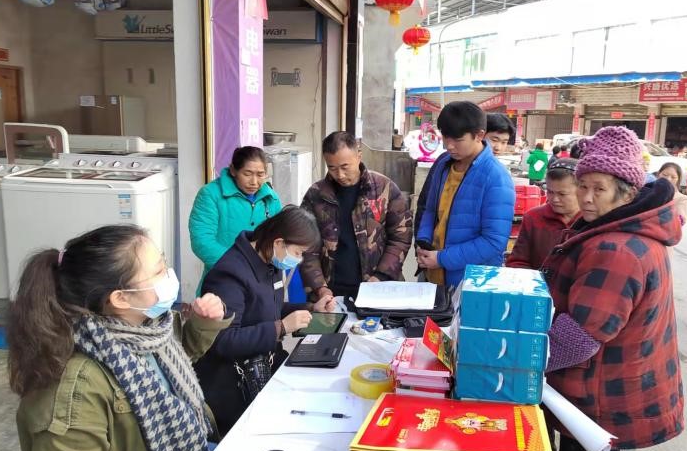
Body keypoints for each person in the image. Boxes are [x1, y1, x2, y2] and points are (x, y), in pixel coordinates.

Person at [9, 225, 231, 451]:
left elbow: (167, 372)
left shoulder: (148, 328)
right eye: (158, 271)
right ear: (120, 298)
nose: (169, 275)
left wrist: (203, 324)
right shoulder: (76, 383)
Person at [541, 126, 683, 451]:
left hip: (599, 396)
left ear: (627, 192)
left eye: (599, 189)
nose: (586, 198)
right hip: (601, 388)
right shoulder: (619, 228)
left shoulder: (616, 249)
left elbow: (579, 337)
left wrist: (515, 362)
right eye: (582, 185)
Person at [194, 207, 335, 435]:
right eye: (298, 253)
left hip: (265, 367)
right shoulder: (230, 274)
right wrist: (282, 328)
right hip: (234, 387)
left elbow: (267, 309)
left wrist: (311, 308)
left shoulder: (269, 260)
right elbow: (222, 340)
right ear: (279, 242)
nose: (299, 260)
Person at [299, 132, 413, 303]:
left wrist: (381, 276)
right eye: (332, 168)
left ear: (359, 156)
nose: (340, 175)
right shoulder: (316, 195)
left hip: (379, 287)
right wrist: (319, 287)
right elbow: (305, 245)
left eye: (345, 167)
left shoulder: (384, 188)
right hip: (330, 292)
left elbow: (401, 237)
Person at [415, 101, 514, 288]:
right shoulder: (444, 164)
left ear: (479, 135)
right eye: (446, 137)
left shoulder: (496, 177)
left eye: (458, 140)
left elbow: (494, 242)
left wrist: (442, 258)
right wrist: (423, 241)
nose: (449, 146)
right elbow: (430, 210)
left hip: (470, 283)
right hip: (432, 273)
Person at [189, 146, 282, 283]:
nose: (254, 182)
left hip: (262, 278)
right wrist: (238, 266)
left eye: (260, 175)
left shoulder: (271, 198)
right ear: (233, 170)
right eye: (247, 174)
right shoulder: (211, 194)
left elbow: (279, 237)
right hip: (223, 278)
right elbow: (202, 241)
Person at [507, 159, 581, 270]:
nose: (555, 199)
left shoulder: (594, 222)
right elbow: (517, 261)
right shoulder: (533, 218)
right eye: (550, 192)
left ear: (581, 191)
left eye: (562, 194)